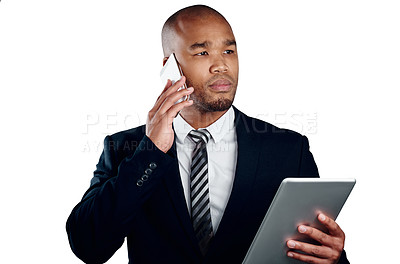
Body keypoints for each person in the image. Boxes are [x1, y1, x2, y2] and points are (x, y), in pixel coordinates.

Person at [67, 5, 350, 264]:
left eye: (229, 51)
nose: (221, 66)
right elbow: (89, 247)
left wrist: (335, 258)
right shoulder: (125, 148)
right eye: (202, 52)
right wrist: (150, 151)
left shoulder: (289, 150)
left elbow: (313, 248)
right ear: (171, 65)